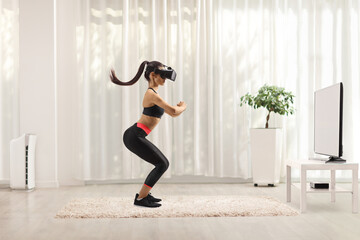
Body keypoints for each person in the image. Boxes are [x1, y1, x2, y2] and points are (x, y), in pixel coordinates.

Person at [110, 61, 187, 208]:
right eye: (163, 76)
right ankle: (141, 198)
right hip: (134, 136)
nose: (165, 79)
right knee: (162, 164)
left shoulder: (154, 93)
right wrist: (183, 106)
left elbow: (172, 111)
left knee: (161, 164)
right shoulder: (151, 95)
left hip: (137, 135)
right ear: (153, 75)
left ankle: (144, 195)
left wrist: (177, 109)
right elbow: (173, 112)